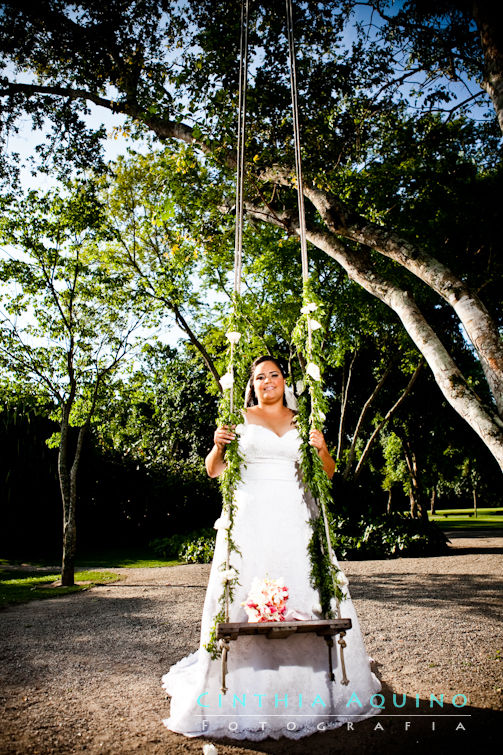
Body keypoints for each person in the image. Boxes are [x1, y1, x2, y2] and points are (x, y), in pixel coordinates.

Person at [162, 356, 381, 741]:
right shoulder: (238, 420)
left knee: (304, 592)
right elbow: (213, 470)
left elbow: (327, 473)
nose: (267, 381)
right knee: (244, 595)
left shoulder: (303, 423)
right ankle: (240, 690)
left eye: (273, 375)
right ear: (252, 384)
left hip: (295, 520)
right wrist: (217, 445)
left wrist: (323, 448)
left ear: (285, 381)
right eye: (259, 377)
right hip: (250, 522)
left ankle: (316, 688)